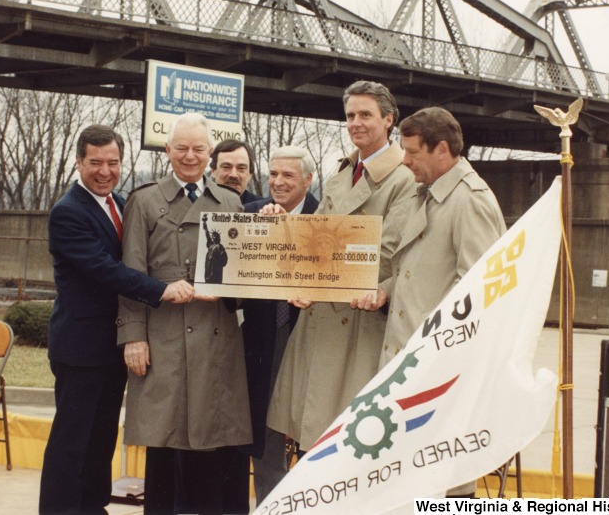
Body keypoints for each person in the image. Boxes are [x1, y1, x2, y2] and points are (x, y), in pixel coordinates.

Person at [266, 80, 416, 453]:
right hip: (322, 320)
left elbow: (388, 252)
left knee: (347, 443)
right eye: (350, 115)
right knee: (310, 441)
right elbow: (313, 237)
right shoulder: (340, 174)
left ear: (388, 120)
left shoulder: (403, 178)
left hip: (359, 323)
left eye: (365, 114)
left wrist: (321, 276)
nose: (356, 123)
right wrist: (278, 222)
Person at [116, 113, 251, 515]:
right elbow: (130, 274)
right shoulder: (144, 200)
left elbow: (246, 274)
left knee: (209, 447)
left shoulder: (230, 201)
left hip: (215, 341)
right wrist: (133, 336)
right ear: (167, 151)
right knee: (163, 445)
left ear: (210, 153)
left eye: (198, 148)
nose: (189, 156)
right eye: (181, 148)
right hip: (163, 339)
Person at [377, 106, 506, 497]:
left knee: (444, 479)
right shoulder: (429, 194)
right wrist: (385, 287)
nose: (405, 160)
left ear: (442, 149)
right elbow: (418, 271)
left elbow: (480, 291)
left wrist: (438, 355)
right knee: (412, 478)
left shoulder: (470, 200)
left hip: (437, 368)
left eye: (413, 152)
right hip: (411, 364)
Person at [39, 124, 166, 515]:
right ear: (79, 162)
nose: (105, 171)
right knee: (71, 443)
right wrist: (161, 290)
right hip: (80, 349)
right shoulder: (68, 212)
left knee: (100, 439)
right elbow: (106, 270)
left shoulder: (121, 203)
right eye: (95, 162)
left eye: (112, 162)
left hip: (111, 347)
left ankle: (93, 508)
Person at [241, 146, 320, 503]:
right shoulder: (251, 214)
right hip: (263, 343)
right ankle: (270, 507)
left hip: (310, 341)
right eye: (273, 174)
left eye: (288, 175)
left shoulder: (327, 217)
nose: (278, 182)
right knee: (266, 439)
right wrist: (264, 232)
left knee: (311, 436)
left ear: (308, 179)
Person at [210, 139, 261, 204]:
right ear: (213, 170)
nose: (233, 175)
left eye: (241, 168)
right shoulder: (198, 204)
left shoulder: (261, 210)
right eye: (226, 167)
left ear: (250, 174)